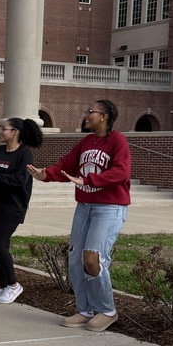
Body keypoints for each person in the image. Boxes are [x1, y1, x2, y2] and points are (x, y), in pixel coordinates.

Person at [28, 99, 131, 332]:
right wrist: (46, 174)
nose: (87, 115)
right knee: (76, 258)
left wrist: (88, 180)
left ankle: (107, 310)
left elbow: (122, 172)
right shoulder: (86, 142)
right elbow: (67, 165)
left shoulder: (118, 141)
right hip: (85, 206)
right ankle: (85, 310)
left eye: (90, 112)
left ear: (104, 116)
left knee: (93, 258)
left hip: (109, 207)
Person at [0, 117, 44, 304]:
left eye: (4, 129)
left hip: (13, 207)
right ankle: (3, 286)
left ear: (15, 132)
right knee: (1, 247)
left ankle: (14, 285)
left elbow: (21, 179)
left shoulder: (24, 154)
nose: (1, 131)